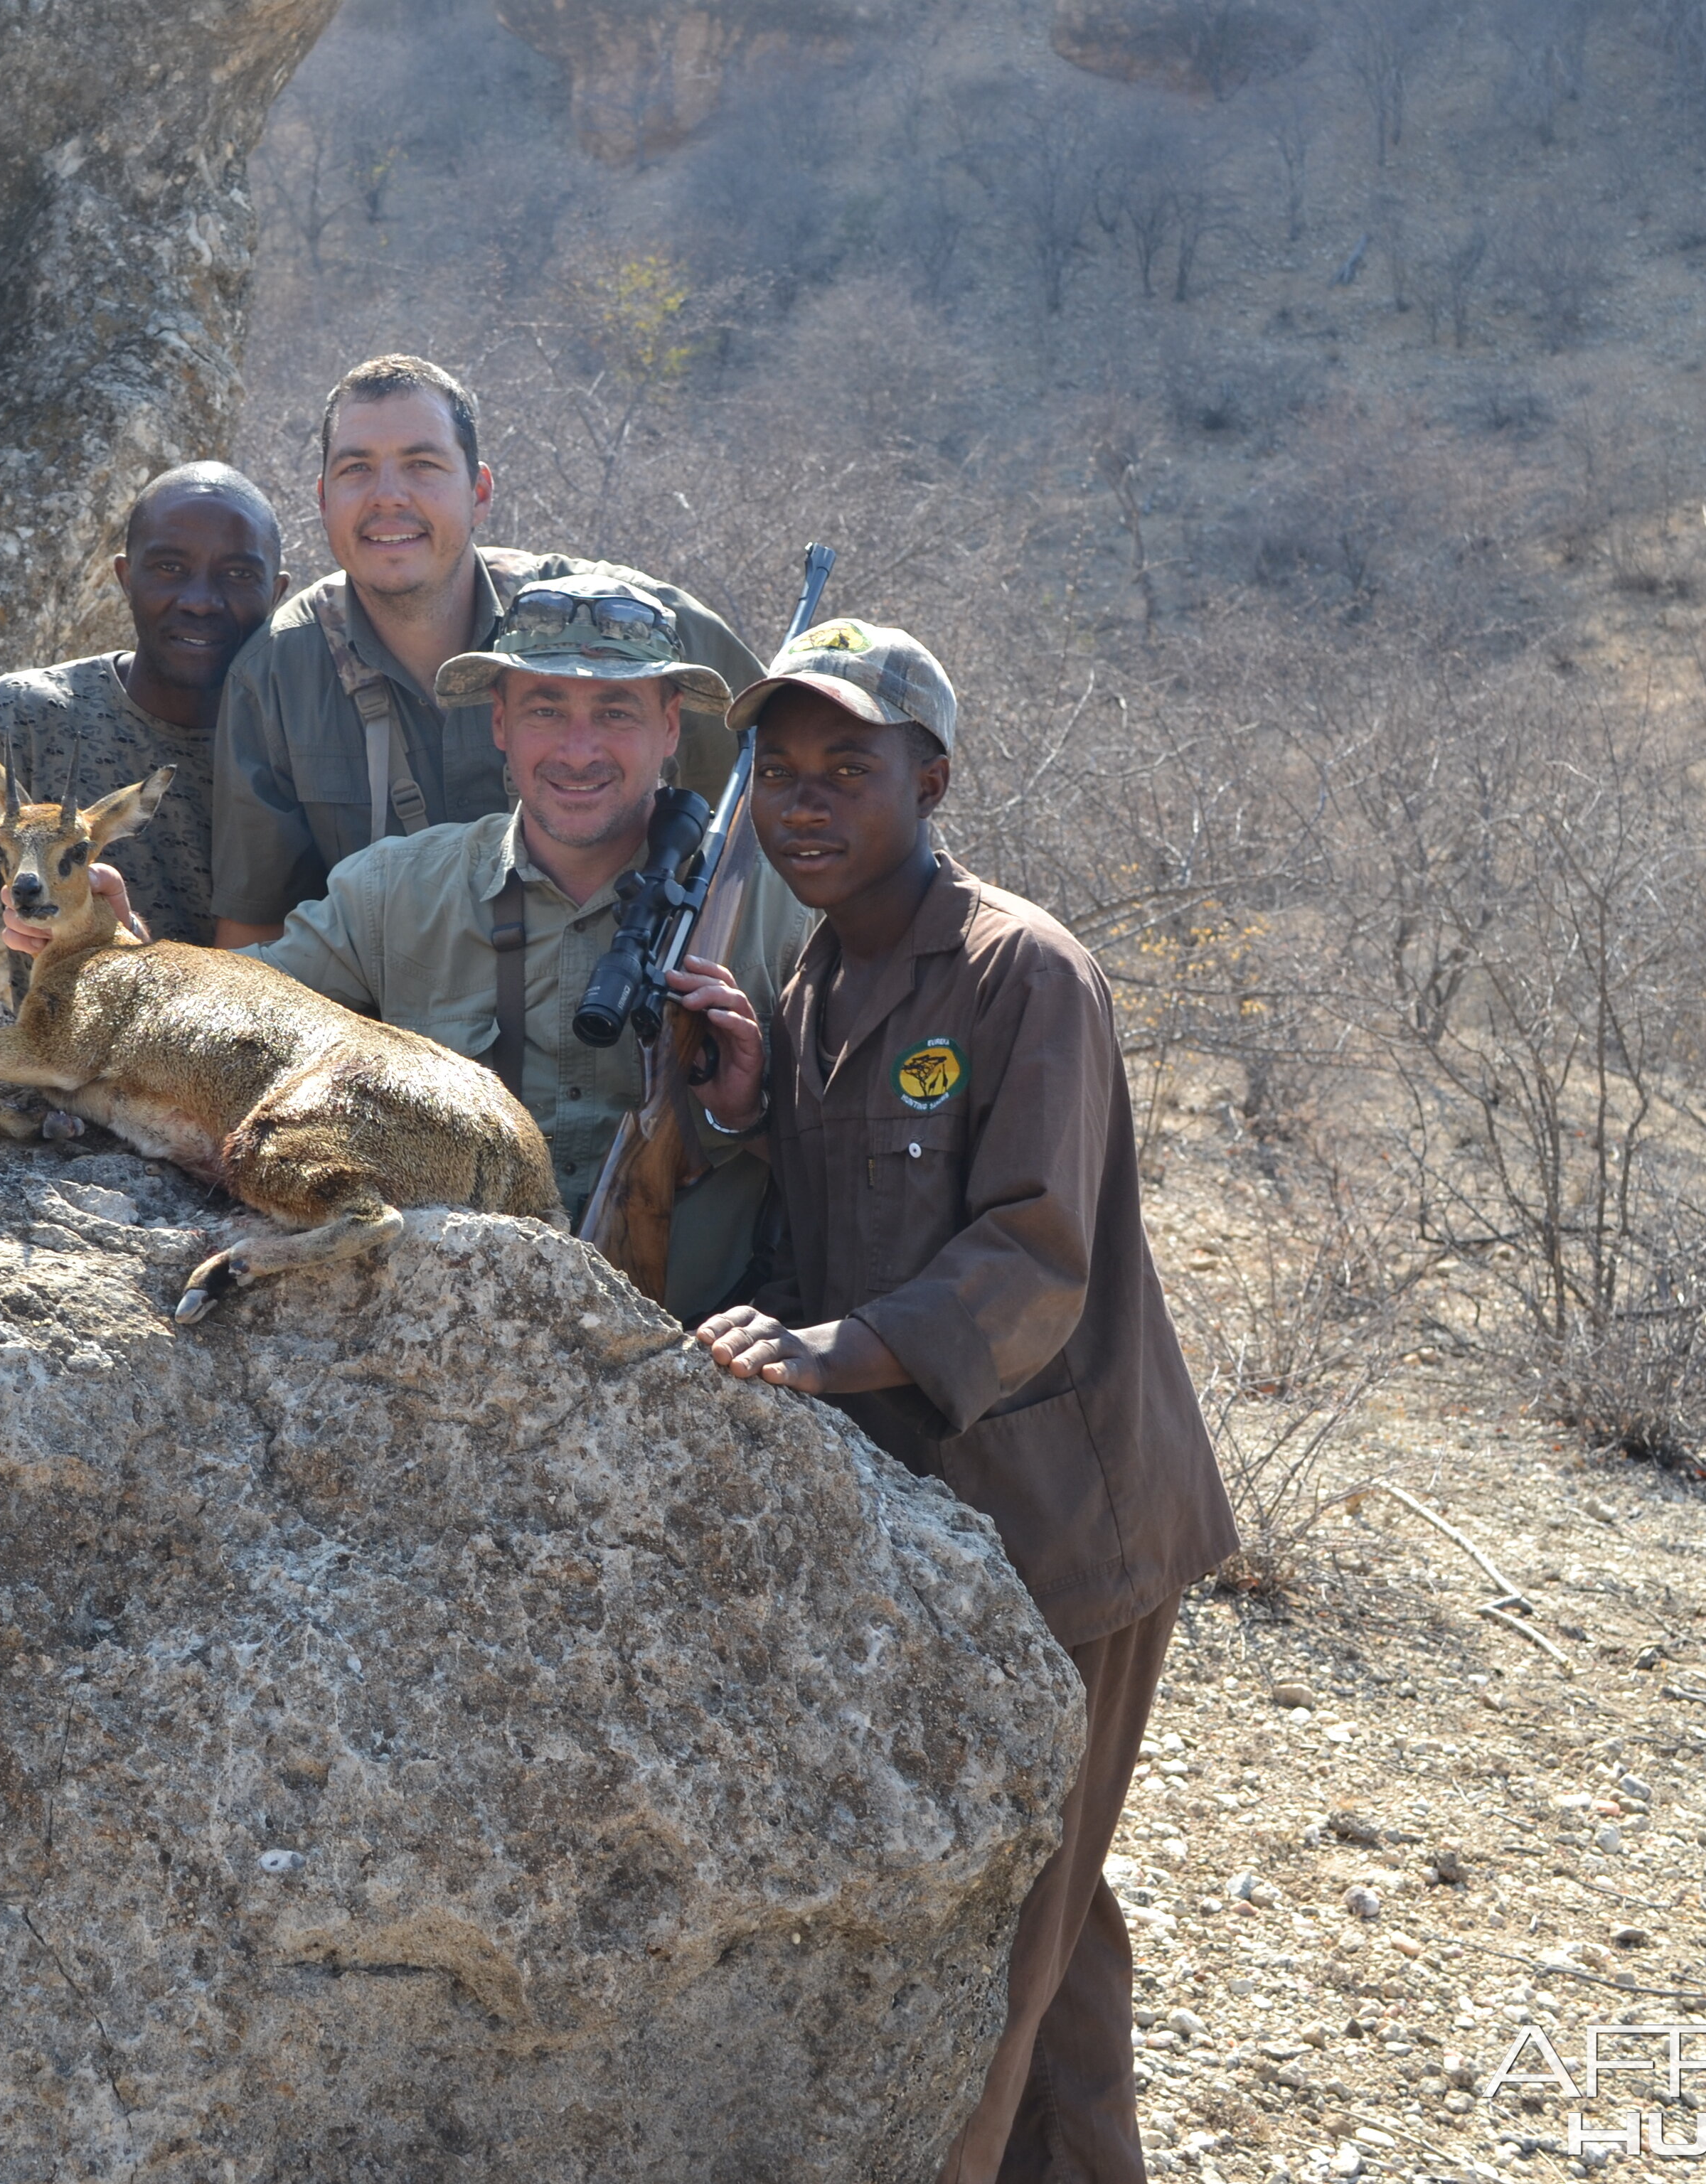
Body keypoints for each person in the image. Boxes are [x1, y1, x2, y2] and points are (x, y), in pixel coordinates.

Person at [689, 619, 1237, 2184]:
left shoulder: (1022, 971)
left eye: (846, 770)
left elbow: (1035, 1253)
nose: (805, 803)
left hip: (1068, 1523)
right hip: (938, 1519)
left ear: (929, 780)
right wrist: (745, 1108)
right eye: (779, 772)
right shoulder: (812, 976)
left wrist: (834, 1349)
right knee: (1054, 1899)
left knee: (1012, 1938)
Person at [25, 575, 804, 1322]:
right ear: (498, 722)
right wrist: (106, 951)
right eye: (544, 709)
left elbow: (864, 1155)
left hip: (703, 1352)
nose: (577, 749)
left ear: (671, 728)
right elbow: (216, 1027)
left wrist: (746, 1114)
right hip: (425, 1332)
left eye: (616, 713)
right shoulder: (394, 891)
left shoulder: (779, 909)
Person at [207, 353, 762, 946]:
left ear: (480, 493)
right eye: (356, 469)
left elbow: (780, 810)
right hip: (386, 1023)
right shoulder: (276, 676)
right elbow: (253, 941)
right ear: (322, 500)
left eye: (423, 465)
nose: (388, 497)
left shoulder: (636, 627)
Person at [0, 461, 287, 990]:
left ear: (275, 594)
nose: (201, 601)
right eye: (169, 567)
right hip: (54, 1062)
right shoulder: (25, 717)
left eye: (238, 575)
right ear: (125, 578)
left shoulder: (306, 739)